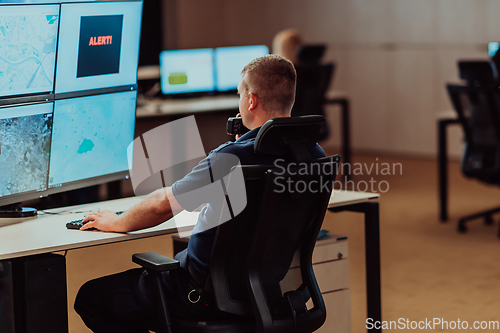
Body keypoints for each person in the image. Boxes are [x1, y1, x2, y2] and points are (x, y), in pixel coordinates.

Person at [74, 54, 326, 333]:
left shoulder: (230, 157)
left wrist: (116, 221)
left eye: (240, 94)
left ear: (251, 100)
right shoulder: (313, 155)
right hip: (270, 291)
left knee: (91, 297)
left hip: (200, 296)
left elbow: (163, 205)